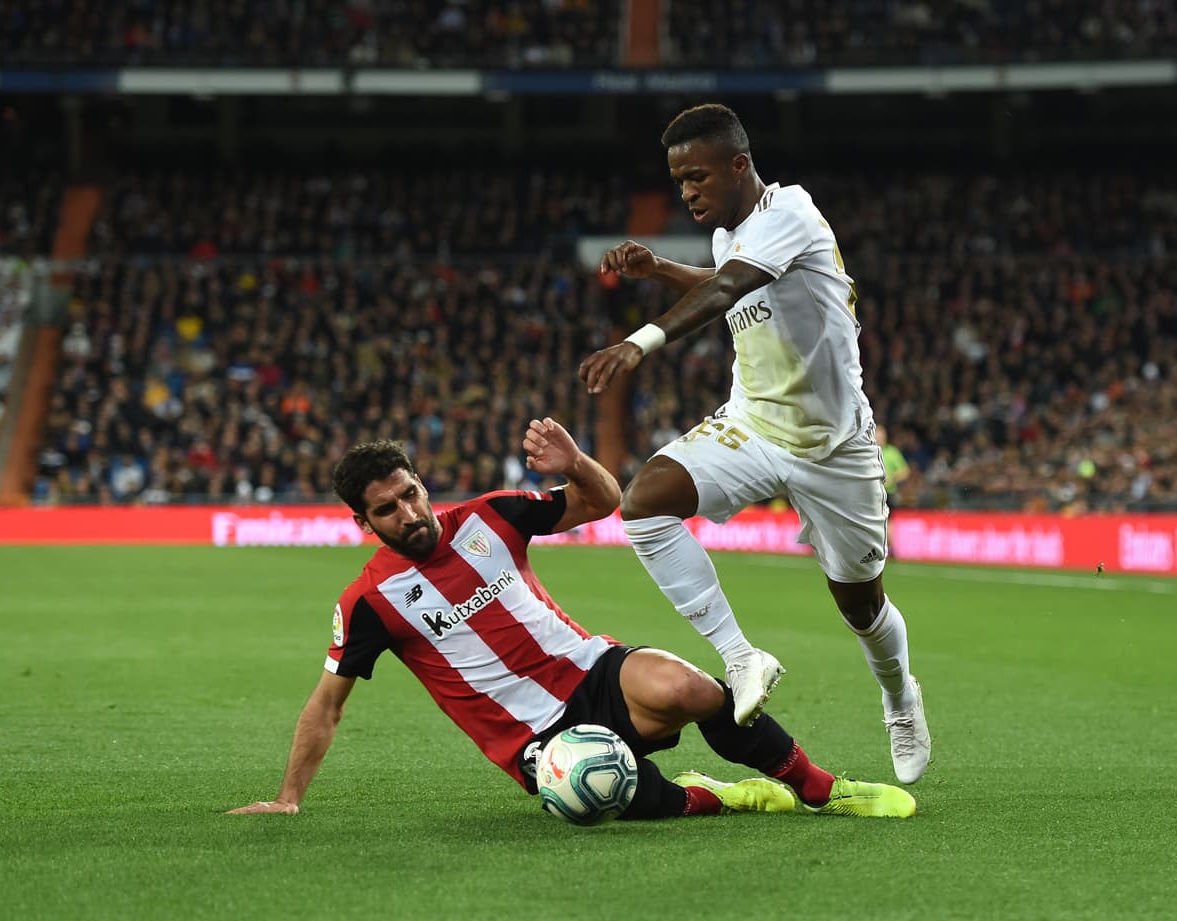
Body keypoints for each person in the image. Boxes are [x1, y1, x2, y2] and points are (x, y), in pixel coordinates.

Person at [228, 417, 916, 820]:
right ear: (363, 520)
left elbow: (605, 501)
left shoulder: (490, 516)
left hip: (593, 669)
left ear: (420, 480)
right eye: (387, 508)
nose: (408, 513)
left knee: (701, 691)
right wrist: (289, 796)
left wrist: (576, 461)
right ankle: (719, 796)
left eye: (410, 493)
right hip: (535, 739)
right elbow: (327, 705)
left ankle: (823, 788)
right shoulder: (371, 601)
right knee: (631, 801)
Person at [578, 103, 931, 784]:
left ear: (739, 164)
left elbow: (738, 284)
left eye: (697, 176)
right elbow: (725, 281)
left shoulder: (791, 211)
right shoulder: (729, 236)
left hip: (834, 444)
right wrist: (659, 268)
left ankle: (898, 695)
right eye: (679, 181)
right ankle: (740, 656)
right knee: (645, 501)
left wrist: (638, 340)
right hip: (753, 424)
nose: (688, 191)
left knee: (862, 606)